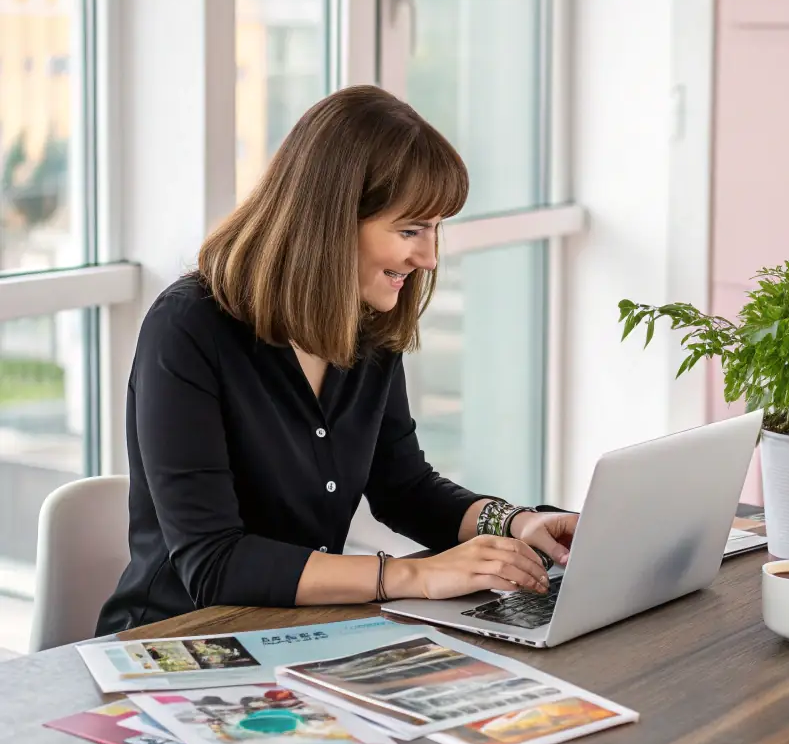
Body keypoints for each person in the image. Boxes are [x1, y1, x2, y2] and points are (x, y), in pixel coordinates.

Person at [96, 85, 577, 635]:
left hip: (301, 634)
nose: (428, 257)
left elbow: (405, 488)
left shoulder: (369, 318)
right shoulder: (188, 326)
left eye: (436, 229)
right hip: (176, 643)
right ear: (332, 222)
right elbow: (214, 563)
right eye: (410, 230)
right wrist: (413, 576)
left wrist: (517, 522)